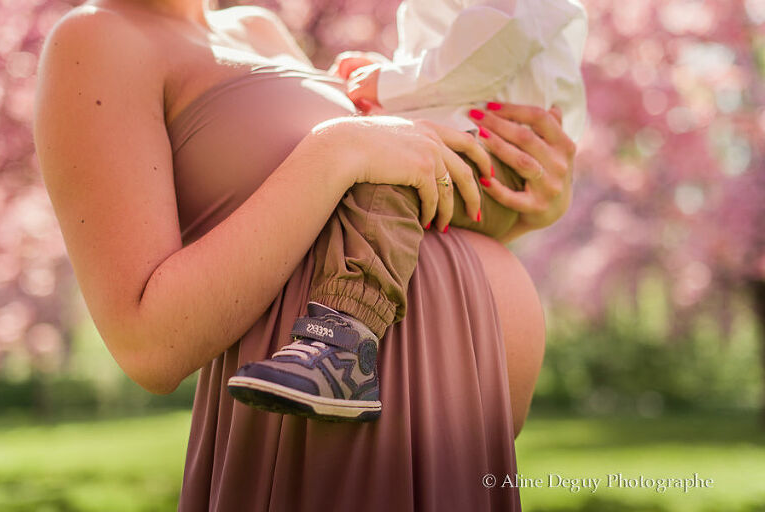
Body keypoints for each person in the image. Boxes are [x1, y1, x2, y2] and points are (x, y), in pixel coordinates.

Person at [33, 0, 577, 509]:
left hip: (462, 423)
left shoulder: (259, 29)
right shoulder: (95, 37)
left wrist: (527, 205)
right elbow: (148, 346)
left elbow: (357, 222)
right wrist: (340, 146)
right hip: (325, 437)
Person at [228, 0, 587, 422]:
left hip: (494, 149)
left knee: (393, 171)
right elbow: (467, 56)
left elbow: (498, 38)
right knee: (388, 159)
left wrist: (392, 83)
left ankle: (344, 352)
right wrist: (394, 75)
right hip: (478, 138)